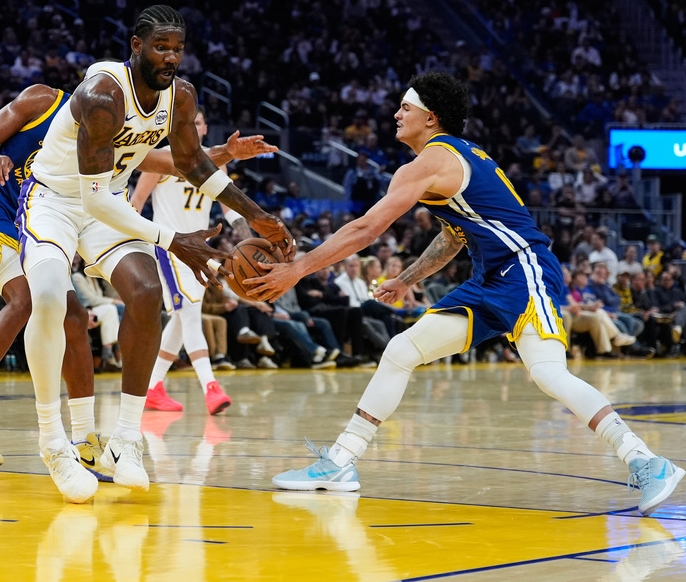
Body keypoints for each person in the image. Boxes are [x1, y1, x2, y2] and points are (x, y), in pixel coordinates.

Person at [247, 71, 683, 515]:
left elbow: (367, 229)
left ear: (430, 117)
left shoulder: (431, 161)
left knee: (549, 374)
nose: (396, 114)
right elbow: (453, 237)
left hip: (523, 266)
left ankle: (647, 461)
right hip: (492, 277)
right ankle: (341, 462)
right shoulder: (456, 156)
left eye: (405, 107)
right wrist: (407, 279)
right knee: (401, 350)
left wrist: (298, 268)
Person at [19, 5, 293, 501]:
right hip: (56, 201)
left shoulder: (180, 95)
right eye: (161, 47)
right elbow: (90, 199)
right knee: (50, 300)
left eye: (177, 49)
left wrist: (256, 215)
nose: (170, 57)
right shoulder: (103, 93)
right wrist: (172, 239)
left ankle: (126, 438)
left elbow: (193, 163)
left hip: (107, 201)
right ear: (137, 46)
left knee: (147, 293)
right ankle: (53, 441)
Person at [0, 82, 273, 481]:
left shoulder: (117, 127)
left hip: (39, 216)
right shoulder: (44, 100)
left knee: (74, 318)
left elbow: (168, 161)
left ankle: (85, 442)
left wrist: (226, 153)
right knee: (27, 299)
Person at [131, 107, 258, 416]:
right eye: (185, 122)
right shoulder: (161, 158)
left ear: (204, 128)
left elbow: (230, 209)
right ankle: (210, 387)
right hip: (170, 246)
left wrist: (248, 239)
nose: (191, 126)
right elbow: (136, 203)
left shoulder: (215, 162)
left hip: (201, 250)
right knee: (188, 314)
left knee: (182, 317)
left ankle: (153, 388)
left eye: (197, 122)